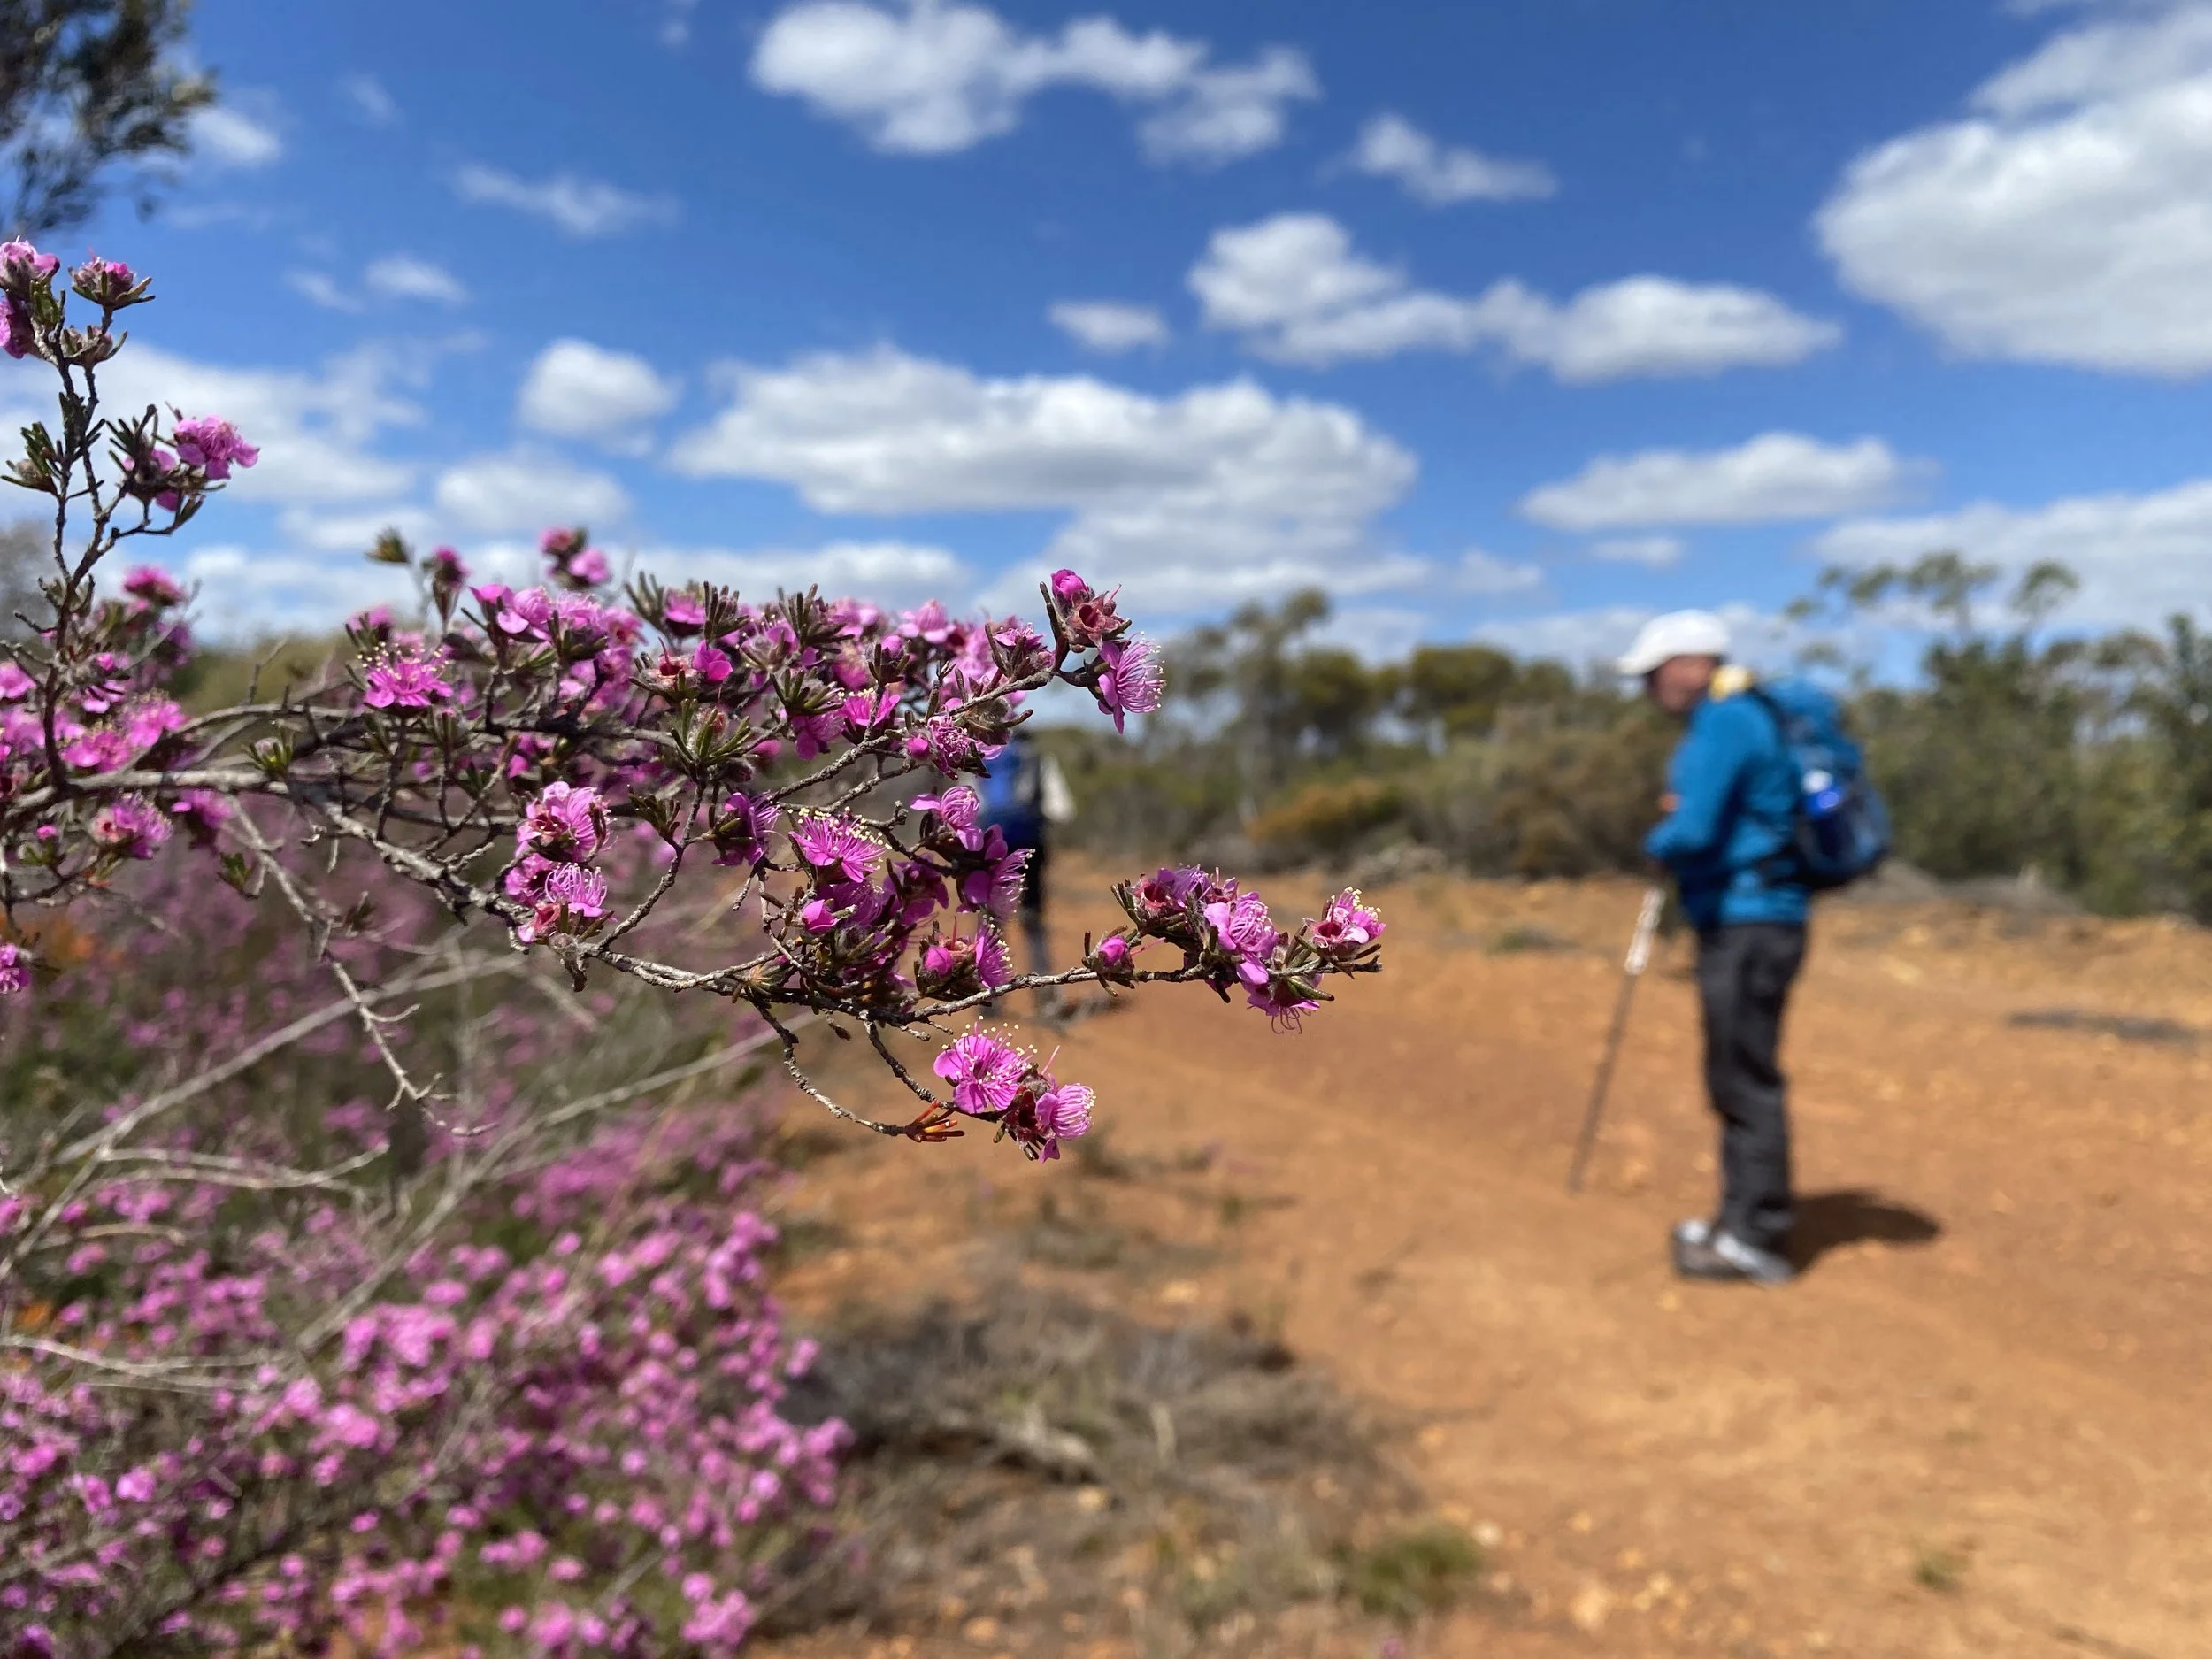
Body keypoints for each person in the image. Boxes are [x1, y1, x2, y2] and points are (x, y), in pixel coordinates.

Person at [1619, 611, 1808, 1286]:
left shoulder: (1724, 722)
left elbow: (1694, 830)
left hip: (1748, 922)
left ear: (1688, 665)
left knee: (1743, 1075)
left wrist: (1657, 840)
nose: (1646, 691)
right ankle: (1737, 1221)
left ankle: (1755, 1235)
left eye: (1650, 676)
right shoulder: (1740, 718)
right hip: (1756, 916)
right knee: (1738, 1070)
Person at [975, 727, 1076, 998]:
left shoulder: (981, 758)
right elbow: (1063, 810)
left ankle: (988, 999)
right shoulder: (1038, 760)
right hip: (1029, 848)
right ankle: (1045, 999)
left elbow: (972, 806)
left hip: (989, 850)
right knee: (1033, 921)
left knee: (991, 922)